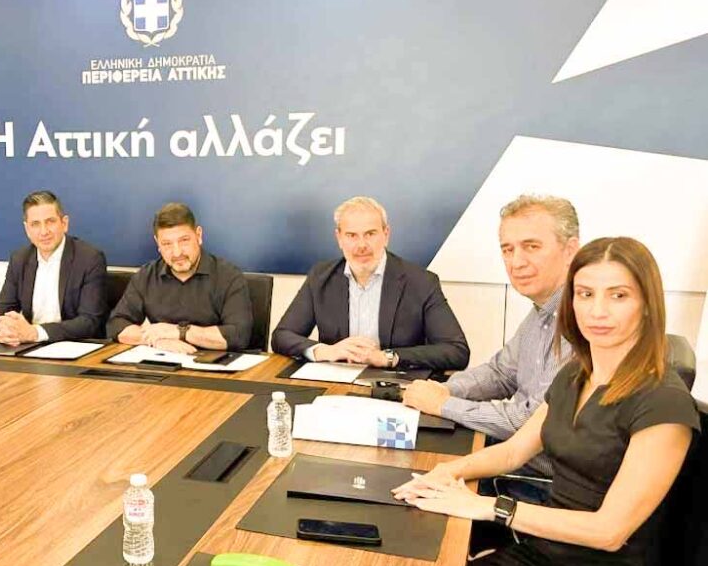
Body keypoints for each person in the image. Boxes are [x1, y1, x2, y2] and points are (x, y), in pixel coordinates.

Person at [393, 237, 699, 566]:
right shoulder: (576, 373)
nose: (597, 311)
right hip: (546, 554)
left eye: (618, 295)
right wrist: (446, 472)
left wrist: (489, 507)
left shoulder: (662, 402)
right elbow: (515, 451)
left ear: (648, 306)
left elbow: (609, 531)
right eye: (585, 294)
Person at [403, 195, 579, 483]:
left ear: (570, 250)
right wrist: (444, 389)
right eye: (508, 249)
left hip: (541, 483)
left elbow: (527, 420)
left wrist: (443, 405)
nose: (516, 262)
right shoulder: (542, 311)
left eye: (531, 247)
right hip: (510, 460)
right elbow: (500, 373)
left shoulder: (584, 321)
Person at [271, 196, 469, 370]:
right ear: (339, 238)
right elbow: (282, 336)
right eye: (351, 235)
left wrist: (387, 357)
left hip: (393, 383)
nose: (361, 245)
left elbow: (456, 351)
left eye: (370, 234)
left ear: (386, 234)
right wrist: (325, 351)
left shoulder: (421, 282)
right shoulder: (321, 277)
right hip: (336, 381)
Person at [106, 202, 252, 353]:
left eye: (184, 240)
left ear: (199, 235)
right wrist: (158, 340)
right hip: (163, 359)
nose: (177, 253)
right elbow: (116, 325)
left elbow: (239, 336)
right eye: (167, 244)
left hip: (213, 362)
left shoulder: (228, 276)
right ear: (157, 243)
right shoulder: (146, 276)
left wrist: (180, 332)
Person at [0, 191, 107, 345]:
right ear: (27, 229)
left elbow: (90, 322)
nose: (44, 232)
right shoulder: (20, 259)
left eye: (50, 222)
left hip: (73, 346)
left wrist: (35, 333)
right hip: (29, 346)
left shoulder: (89, 258)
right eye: (35, 224)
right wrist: (2, 329)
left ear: (64, 223)